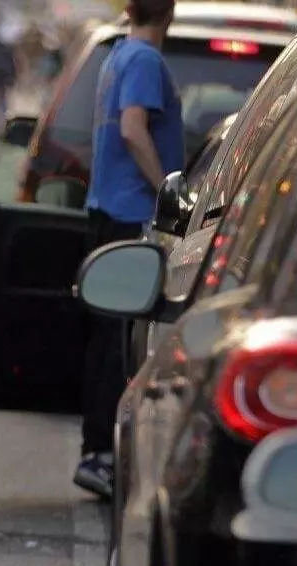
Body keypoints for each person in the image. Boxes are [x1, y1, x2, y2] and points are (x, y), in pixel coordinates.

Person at [74, 0, 183, 498]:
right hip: (128, 215)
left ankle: (98, 450)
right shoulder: (143, 60)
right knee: (118, 343)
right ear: (170, 10)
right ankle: (100, 453)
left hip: (106, 209)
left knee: (108, 339)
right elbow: (133, 128)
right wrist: (168, 191)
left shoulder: (117, 55)